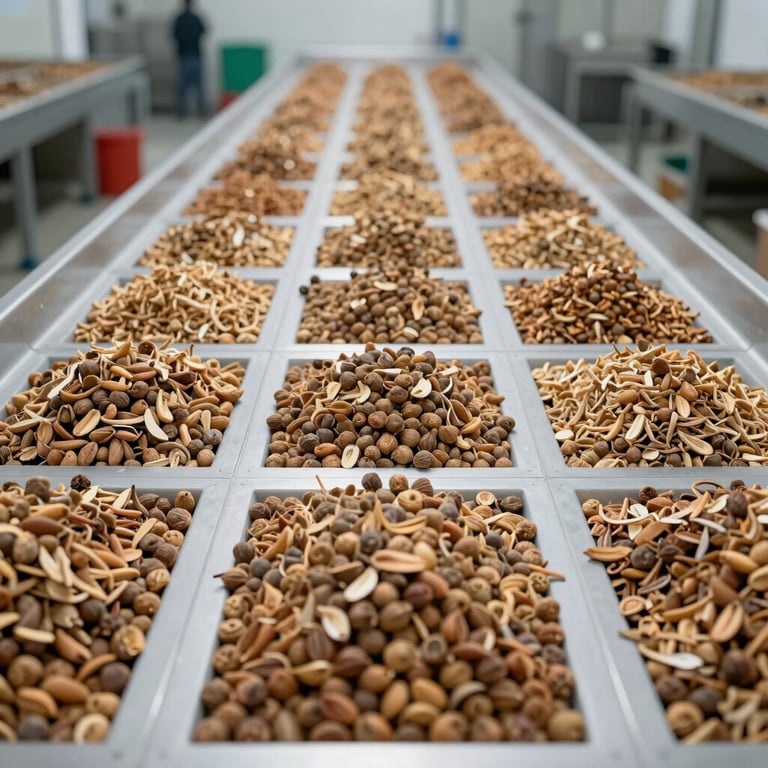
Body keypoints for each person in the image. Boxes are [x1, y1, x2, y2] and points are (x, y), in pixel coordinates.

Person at [172, 0, 206, 117]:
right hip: (195, 55)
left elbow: (174, 35)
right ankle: (201, 111)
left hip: (184, 55)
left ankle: (181, 112)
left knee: (183, 86)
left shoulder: (179, 19)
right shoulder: (196, 18)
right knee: (199, 86)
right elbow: (204, 31)